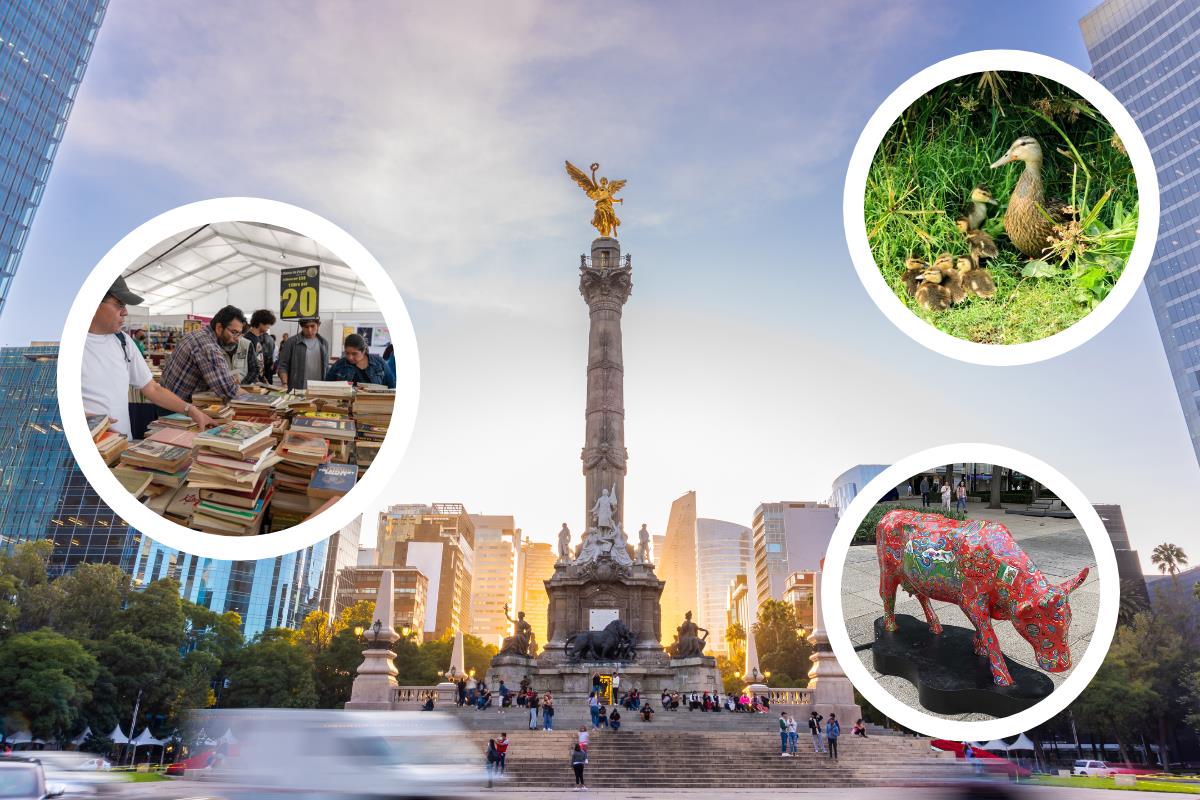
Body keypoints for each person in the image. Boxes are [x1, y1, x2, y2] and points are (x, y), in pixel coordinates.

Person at [83, 278, 217, 437]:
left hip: (121, 446)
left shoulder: (123, 341)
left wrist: (191, 410)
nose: (125, 312)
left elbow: (152, 388)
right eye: (119, 304)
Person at [158, 304, 247, 405]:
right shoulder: (208, 347)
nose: (237, 338)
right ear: (219, 328)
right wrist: (256, 400)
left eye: (239, 334)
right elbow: (228, 390)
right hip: (174, 408)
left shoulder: (198, 334)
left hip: (167, 399)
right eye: (234, 332)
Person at [277, 317, 329, 391]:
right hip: (297, 389)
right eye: (306, 327)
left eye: (312, 326)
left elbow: (326, 367)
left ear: (318, 325)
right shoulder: (291, 342)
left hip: (319, 389)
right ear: (301, 326)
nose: (309, 330)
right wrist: (284, 384)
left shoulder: (324, 343)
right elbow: (283, 366)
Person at [325, 333, 395, 387]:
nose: (350, 357)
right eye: (347, 353)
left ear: (363, 351)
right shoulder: (339, 364)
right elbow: (327, 385)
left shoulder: (379, 363)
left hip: (375, 403)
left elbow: (391, 385)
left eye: (354, 354)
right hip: (346, 404)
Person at [242, 309, 277, 385]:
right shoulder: (247, 339)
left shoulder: (258, 338)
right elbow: (246, 365)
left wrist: (263, 378)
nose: (269, 326)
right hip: (251, 384)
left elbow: (259, 362)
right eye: (268, 323)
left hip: (260, 382)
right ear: (261, 323)